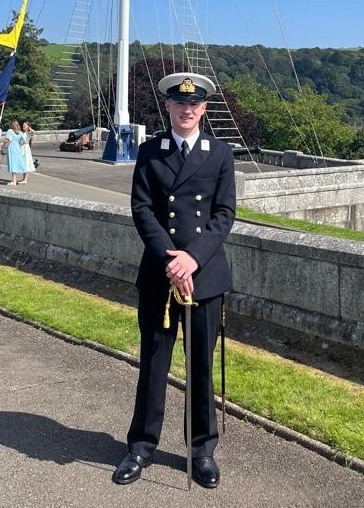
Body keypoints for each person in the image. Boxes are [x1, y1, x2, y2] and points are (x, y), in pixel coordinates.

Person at [112, 73, 235, 490]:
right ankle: (141, 447)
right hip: (161, 275)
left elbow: (224, 214)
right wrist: (171, 258)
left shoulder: (220, 154)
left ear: (203, 109)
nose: (187, 110)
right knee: (153, 364)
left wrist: (192, 259)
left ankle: (202, 450)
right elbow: (142, 208)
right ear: (168, 107)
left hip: (203, 277)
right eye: (179, 104)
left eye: (194, 105)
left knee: (200, 366)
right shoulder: (150, 152)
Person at [3, 120, 27, 186]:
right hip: (17, 148)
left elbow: (6, 140)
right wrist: (19, 145)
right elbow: (25, 141)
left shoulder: (10, 131)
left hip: (11, 148)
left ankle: (14, 180)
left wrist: (2, 147)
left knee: (12, 163)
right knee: (15, 163)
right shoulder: (20, 132)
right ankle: (14, 179)